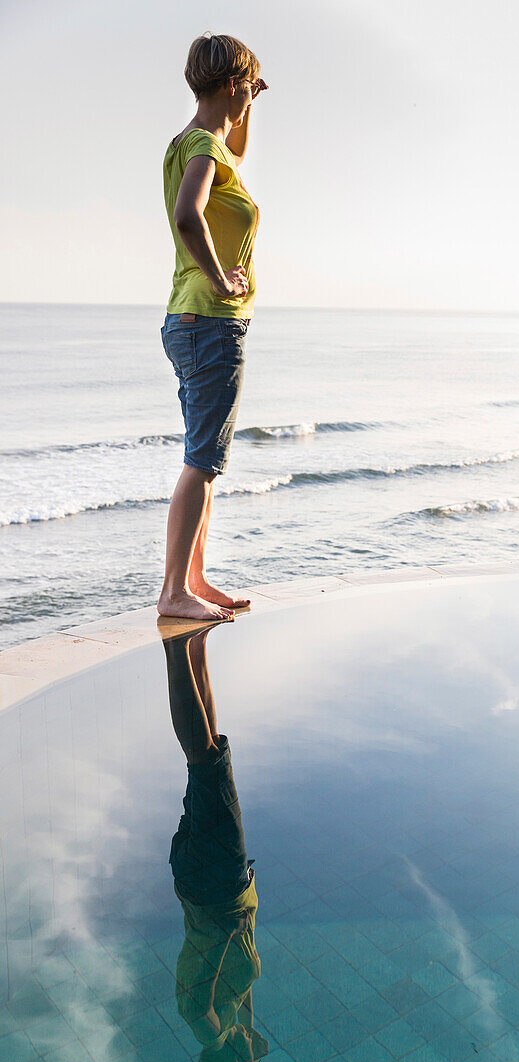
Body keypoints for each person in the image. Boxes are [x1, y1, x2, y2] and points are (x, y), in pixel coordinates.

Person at [159, 33, 268, 622]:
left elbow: (236, 152)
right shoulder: (203, 148)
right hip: (211, 318)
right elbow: (187, 215)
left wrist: (250, 103)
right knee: (203, 461)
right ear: (231, 84)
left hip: (187, 317)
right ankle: (174, 591)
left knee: (206, 459)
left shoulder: (192, 142)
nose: (250, 95)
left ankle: (193, 579)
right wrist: (222, 280)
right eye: (247, 86)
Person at [164, 624, 268, 1062]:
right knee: (211, 760)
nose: (258, 1053)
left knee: (205, 763)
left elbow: (193, 1007)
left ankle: (174, 644)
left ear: (232, 1059)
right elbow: (245, 1007)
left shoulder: (211, 1029)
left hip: (215, 885)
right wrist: (247, 1034)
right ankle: (194, 640)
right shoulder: (237, 1011)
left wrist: (219, 1040)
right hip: (214, 883)